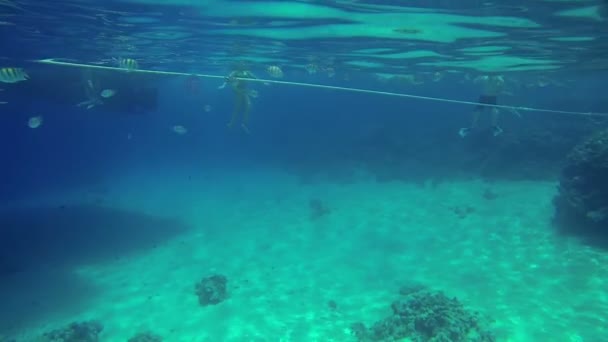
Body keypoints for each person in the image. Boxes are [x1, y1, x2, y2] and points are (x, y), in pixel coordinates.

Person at [219, 67, 257, 133]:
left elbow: (255, 78)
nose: (242, 64)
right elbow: (228, 79)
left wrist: (264, 82)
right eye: (241, 62)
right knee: (237, 108)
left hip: (244, 90)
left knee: (249, 105)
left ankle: (244, 124)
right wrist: (223, 85)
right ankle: (231, 123)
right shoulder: (235, 71)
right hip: (238, 90)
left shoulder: (247, 72)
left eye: (244, 63)